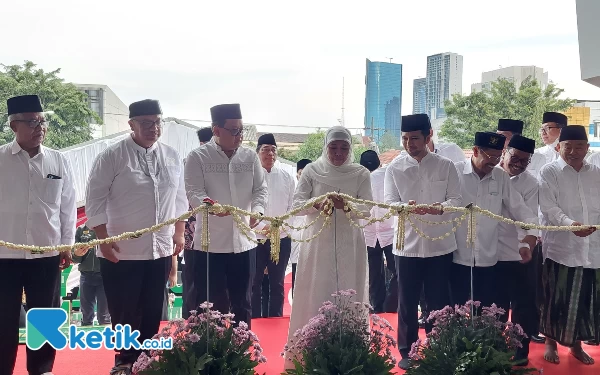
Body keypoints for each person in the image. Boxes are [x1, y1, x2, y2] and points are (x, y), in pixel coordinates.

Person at [85, 99, 188, 375]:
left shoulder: (171, 155)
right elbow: (94, 200)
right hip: (121, 251)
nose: (153, 128)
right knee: (124, 310)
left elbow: (180, 197)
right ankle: (123, 361)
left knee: (153, 307)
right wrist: (103, 239)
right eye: (146, 123)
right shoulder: (112, 156)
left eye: (157, 122)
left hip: (160, 248)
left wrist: (179, 232)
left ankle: (148, 360)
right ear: (131, 125)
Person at [284, 126, 373, 369]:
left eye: (344, 147)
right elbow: (298, 204)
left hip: (350, 240)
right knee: (317, 289)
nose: (338, 153)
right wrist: (318, 203)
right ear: (326, 147)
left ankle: (351, 354)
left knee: (349, 290)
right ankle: (310, 353)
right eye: (333, 147)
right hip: (318, 242)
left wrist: (347, 206)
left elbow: (367, 209)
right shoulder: (313, 170)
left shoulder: (360, 173)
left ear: (350, 149)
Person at [0, 94, 76, 375]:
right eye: (32, 122)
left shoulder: (58, 160)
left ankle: (42, 370)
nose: (39, 127)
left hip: (45, 253)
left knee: (44, 317)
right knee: (3, 319)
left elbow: (67, 207)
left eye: (43, 121)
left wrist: (66, 245)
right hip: (3, 255)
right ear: (13, 126)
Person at [384, 114, 462, 370]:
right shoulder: (395, 167)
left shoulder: (446, 165)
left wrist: (439, 209)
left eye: (415, 138)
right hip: (406, 246)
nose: (409, 144)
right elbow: (389, 203)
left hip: (440, 245)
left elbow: (457, 201)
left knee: (438, 300)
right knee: (407, 300)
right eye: (405, 139)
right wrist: (405, 208)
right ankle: (407, 349)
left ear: (428, 136)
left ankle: (440, 346)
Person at [185, 103, 267, 328]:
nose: (239, 135)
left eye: (241, 130)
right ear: (216, 130)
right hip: (210, 245)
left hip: (244, 242)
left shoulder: (250, 157)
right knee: (211, 304)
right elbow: (194, 192)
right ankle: (212, 354)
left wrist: (257, 211)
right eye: (233, 130)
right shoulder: (198, 157)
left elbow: (260, 189)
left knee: (244, 302)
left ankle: (242, 352)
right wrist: (210, 206)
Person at [451, 132, 538, 309]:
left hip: (487, 258)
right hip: (457, 256)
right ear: (475, 151)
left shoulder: (501, 177)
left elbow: (520, 210)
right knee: (454, 311)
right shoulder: (454, 172)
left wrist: (531, 236)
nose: (494, 162)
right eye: (490, 156)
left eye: (498, 157)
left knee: (484, 313)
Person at [539, 125, 600, 365]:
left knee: (584, 298)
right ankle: (550, 341)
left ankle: (576, 345)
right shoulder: (549, 171)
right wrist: (571, 224)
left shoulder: (596, 172)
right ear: (558, 147)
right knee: (555, 296)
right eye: (568, 147)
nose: (573, 151)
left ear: (587, 148)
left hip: (593, 247)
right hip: (561, 247)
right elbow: (549, 207)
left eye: (579, 147)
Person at [495, 134, 539, 365]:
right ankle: (496, 350)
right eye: (515, 157)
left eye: (525, 161)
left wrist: (525, 245)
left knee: (523, 306)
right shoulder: (492, 175)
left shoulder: (531, 183)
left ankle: (520, 354)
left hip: (520, 253)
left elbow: (530, 219)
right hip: (491, 254)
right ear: (505, 152)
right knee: (496, 306)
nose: (518, 164)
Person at [251, 133, 295, 318]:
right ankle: (253, 319)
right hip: (255, 237)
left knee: (277, 282)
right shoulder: (250, 176)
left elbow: (293, 208)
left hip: (281, 237)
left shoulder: (287, 177)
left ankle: (275, 318)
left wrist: (278, 229)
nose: (270, 154)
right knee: (254, 282)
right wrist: (259, 228)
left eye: (273, 150)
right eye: (265, 150)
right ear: (257, 152)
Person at [180, 126, 213, 319]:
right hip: (192, 233)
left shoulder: (220, 165)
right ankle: (191, 318)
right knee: (192, 277)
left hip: (217, 233)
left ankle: (210, 317)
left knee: (211, 280)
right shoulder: (189, 163)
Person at [360, 150, 397, 314]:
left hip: (369, 234)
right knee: (397, 272)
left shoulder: (361, 179)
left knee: (374, 275)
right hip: (390, 232)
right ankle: (391, 304)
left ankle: (377, 308)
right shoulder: (388, 173)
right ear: (379, 162)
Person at [72, 224, 111, 326]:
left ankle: (106, 339)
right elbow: (75, 258)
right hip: (86, 276)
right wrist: (76, 254)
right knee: (86, 314)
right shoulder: (81, 230)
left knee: (104, 315)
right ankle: (86, 338)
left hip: (105, 276)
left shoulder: (109, 227)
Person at [290, 158, 311, 297]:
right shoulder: (291, 192)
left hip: (312, 240)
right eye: (301, 173)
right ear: (297, 174)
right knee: (297, 284)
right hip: (295, 241)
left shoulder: (317, 193)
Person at [527, 112, 568, 178]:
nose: (543, 133)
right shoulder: (536, 154)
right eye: (541, 129)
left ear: (561, 129)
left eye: (547, 128)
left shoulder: (573, 155)